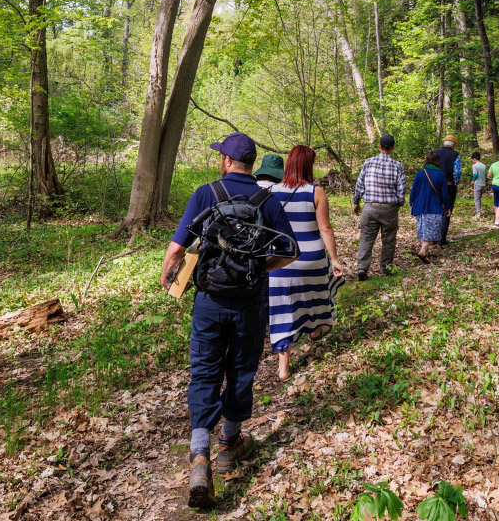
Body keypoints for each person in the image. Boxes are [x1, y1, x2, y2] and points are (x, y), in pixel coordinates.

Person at [159, 132, 298, 509]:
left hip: (208, 300)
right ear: (251, 164)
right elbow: (290, 249)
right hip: (249, 303)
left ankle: (199, 455)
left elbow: (177, 248)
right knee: (241, 370)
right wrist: (262, 266)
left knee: (204, 371)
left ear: (226, 162)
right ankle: (229, 444)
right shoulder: (266, 199)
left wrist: (168, 273)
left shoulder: (207, 193)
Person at [268, 146, 345, 380]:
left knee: (283, 310)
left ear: (289, 164)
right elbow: (325, 228)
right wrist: (335, 259)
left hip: (280, 262)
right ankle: (316, 329)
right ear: (308, 166)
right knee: (319, 295)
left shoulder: (271, 191)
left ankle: (283, 368)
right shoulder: (316, 192)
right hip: (311, 259)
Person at [353, 135, 406, 281]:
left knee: (366, 238)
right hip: (389, 208)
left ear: (379, 146)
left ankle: (362, 267)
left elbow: (359, 185)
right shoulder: (397, 166)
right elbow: (401, 190)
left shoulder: (368, 163)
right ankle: (386, 269)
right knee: (388, 240)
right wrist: (399, 204)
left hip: (370, 208)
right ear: (393, 147)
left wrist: (356, 202)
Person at [409, 151, 450, 263]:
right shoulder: (440, 174)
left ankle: (425, 253)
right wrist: (447, 207)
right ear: (437, 161)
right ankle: (422, 251)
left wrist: (411, 201)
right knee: (431, 232)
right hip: (433, 206)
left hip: (420, 206)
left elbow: (414, 189)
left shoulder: (420, 173)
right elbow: (444, 193)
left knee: (424, 230)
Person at [432, 135, 461, 245]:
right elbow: (457, 173)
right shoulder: (455, 155)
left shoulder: (435, 153)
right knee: (446, 211)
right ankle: (442, 239)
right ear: (453, 145)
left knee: (434, 210)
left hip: (434, 185)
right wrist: (456, 183)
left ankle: (433, 237)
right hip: (448, 185)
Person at [470, 151, 487, 218]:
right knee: (479, 198)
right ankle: (478, 210)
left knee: (476, 199)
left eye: (472, 160)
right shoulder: (484, 166)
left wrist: (473, 181)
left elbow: (475, 174)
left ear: (474, 159)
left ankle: (478, 213)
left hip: (477, 184)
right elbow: (485, 175)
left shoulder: (474, 166)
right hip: (483, 184)